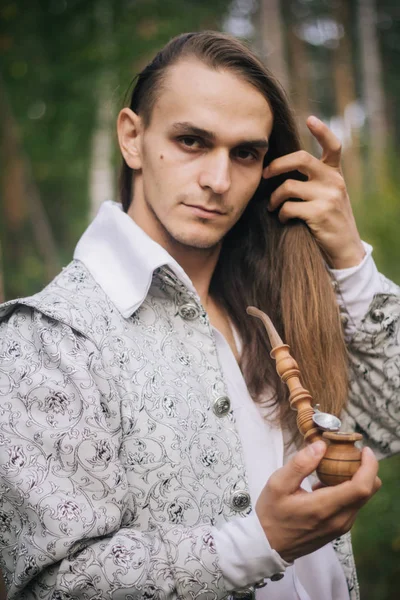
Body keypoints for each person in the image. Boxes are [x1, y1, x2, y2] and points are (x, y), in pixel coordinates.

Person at [0, 31, 399, 600]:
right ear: (132, 139)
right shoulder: (46, 339)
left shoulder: (275, 311)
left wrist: (348, 255)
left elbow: (392, 411)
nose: (218, 181)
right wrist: (260, 542)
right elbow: (58, 583)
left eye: (245, 153)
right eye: (192, 141)